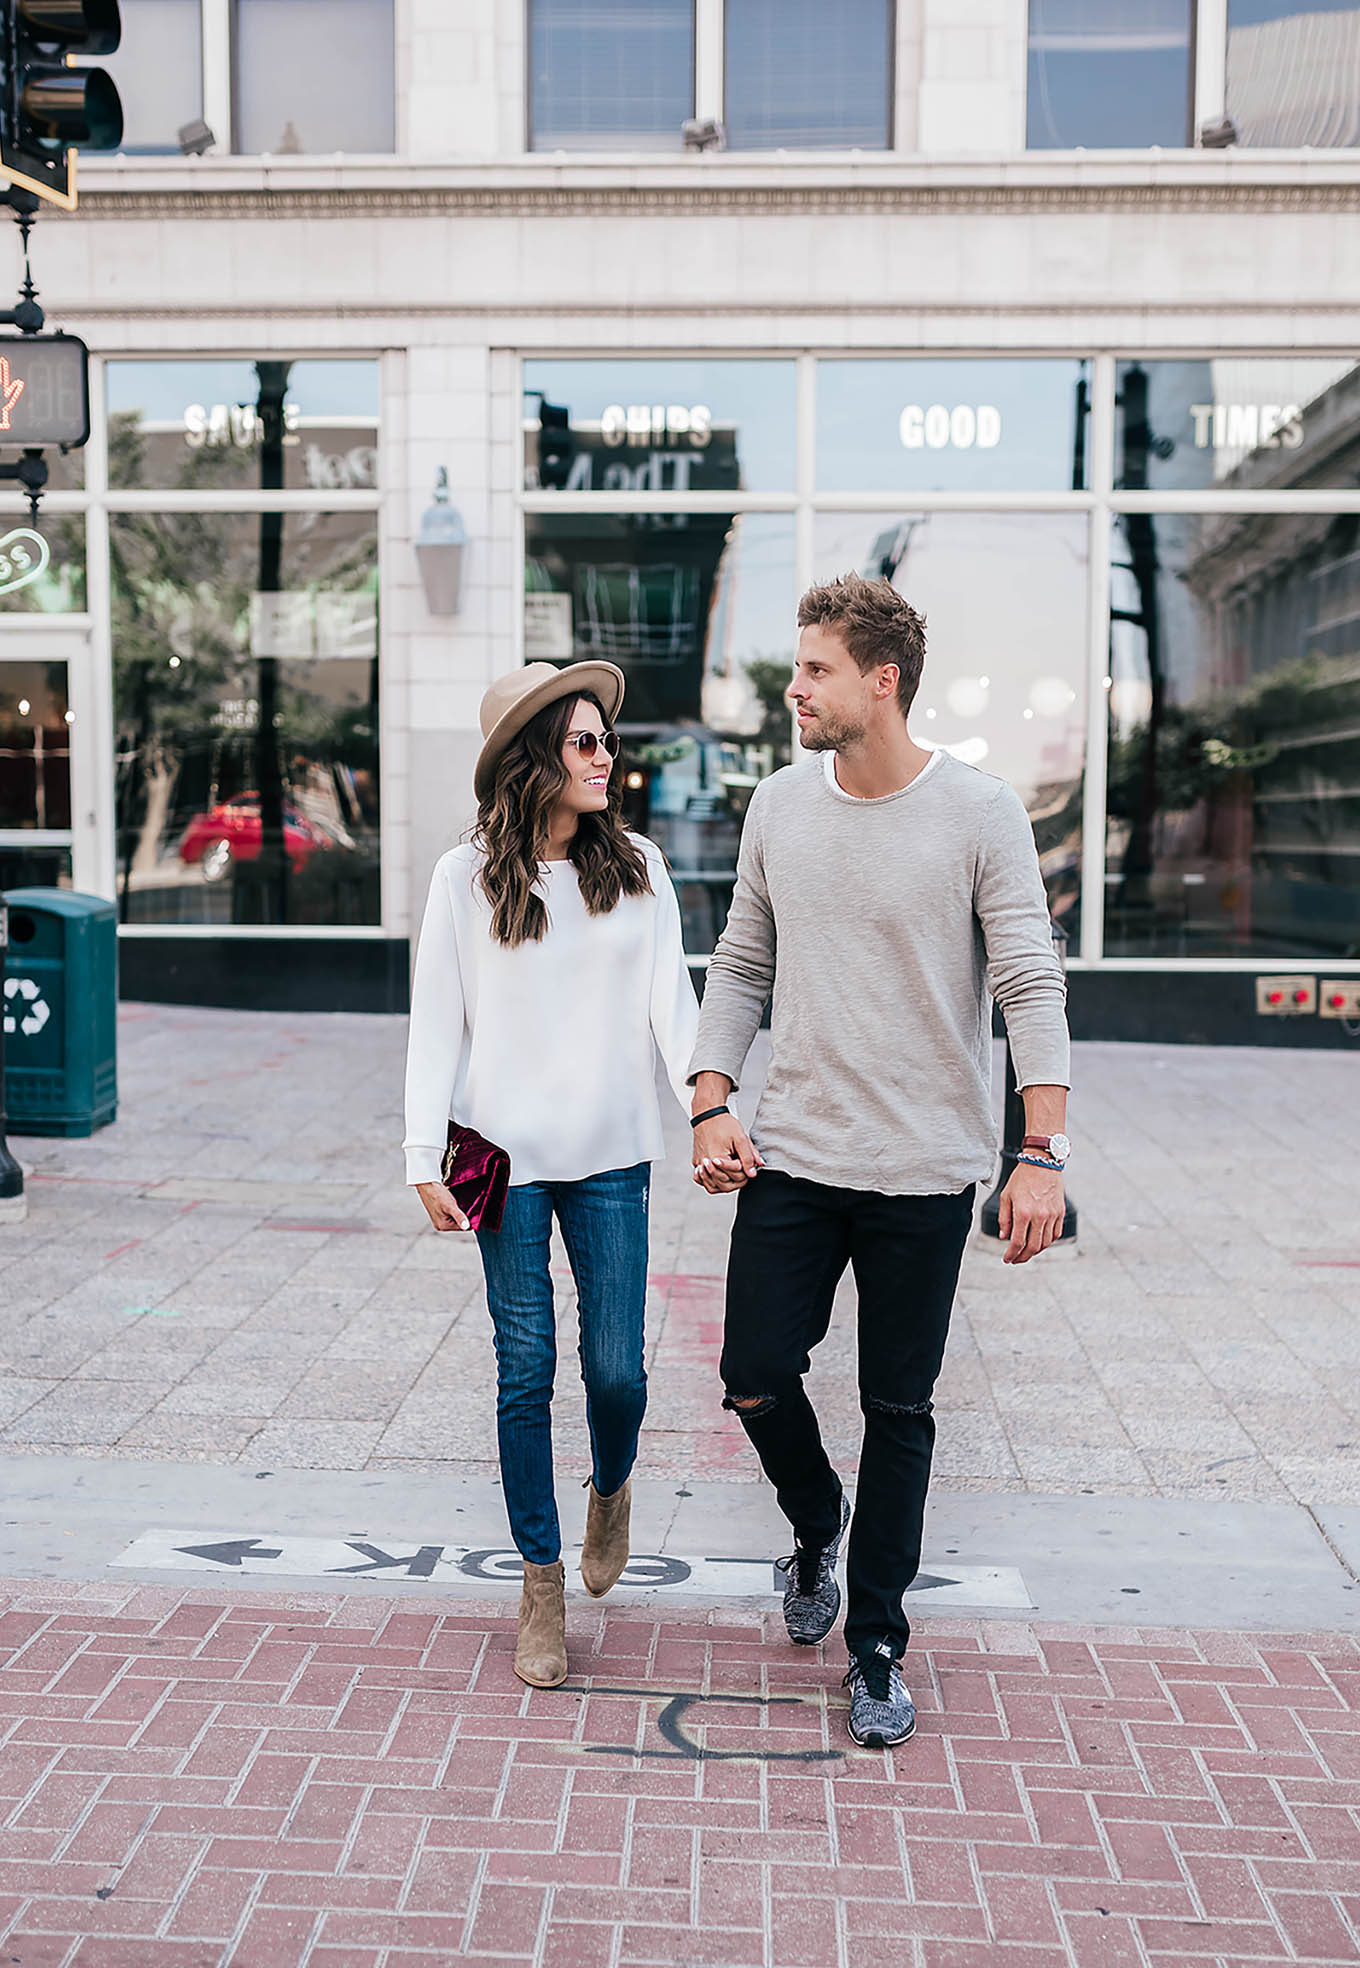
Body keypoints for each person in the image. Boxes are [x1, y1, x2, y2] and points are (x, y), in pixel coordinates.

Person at [688, 574, 1071, 1750]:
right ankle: (817, 1520)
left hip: (922, 1168)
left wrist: (1039, 1151)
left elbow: (1027, 982)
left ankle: (876, 1647)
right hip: (795, 1154)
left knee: (899, 1406)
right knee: (752, 1372)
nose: (793, 687)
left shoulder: (978, 812)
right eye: (797, 668)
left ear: (881, 681)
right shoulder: (778, 807)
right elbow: (741, 959)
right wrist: (710, 1097)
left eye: (813, 669)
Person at [403, 660, 699, 1690]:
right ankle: (540, 1583)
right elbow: (436, 1022)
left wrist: (710, 1110)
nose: (605, 758)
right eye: (582, 743)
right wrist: (418, 1156)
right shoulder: (463, 877)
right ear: (532, 758)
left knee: (615, 1372)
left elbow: (675, 1006)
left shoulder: (643, 870)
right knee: (523, 1373)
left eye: (607, 741)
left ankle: (610, 1487)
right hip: (504, 1158)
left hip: (613, 1153)